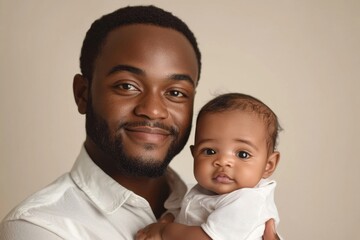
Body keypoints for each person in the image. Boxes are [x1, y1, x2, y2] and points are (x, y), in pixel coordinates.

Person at [0, 6, 279, 240]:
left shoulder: (215, 198)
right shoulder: (38, 228)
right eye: (127, 86)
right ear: (83, 94)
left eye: (175, 93)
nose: (153, 111)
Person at [136, 93, 282, 240]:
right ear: (194, 155)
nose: (223, 161)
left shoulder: (248, 201)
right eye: (210, 151)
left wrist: (164, 231)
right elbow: (191, 213)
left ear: (268, 165)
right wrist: (170, 217)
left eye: (242, 154)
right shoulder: (206, 190)